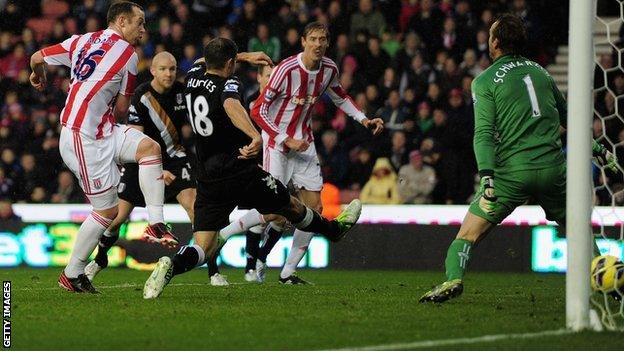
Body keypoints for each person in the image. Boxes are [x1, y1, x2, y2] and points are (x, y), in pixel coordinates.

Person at [419, 14, 619, 303]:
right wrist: (598, 150)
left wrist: (487, 175)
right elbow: (570, 120)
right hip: (552, 170)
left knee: (467, 235)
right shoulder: (541, 72)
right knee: (578, 229)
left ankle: (453, 278)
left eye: (490, 35)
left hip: (512, 173)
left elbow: (484, 134)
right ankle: (605, 280)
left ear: (496, 42)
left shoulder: (485, 81)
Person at [142, 38, 362, 299]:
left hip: (208, 176)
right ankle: (333, 231)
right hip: (240, 170)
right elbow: (231, 105)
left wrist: (243, 56)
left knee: (204, 247)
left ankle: (169, 268)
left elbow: (204, 60)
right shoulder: (229, 83)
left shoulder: (192, 77)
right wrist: (253, 135)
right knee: (290, 205)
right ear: (229, 63)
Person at [29, 1, 179, 293]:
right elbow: (123, 106)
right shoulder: (128, 54)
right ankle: (72, 274)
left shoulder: (81, 40)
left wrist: (40, 74)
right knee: (107, 211)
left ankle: (156, 224)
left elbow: (36, 57)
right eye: (140, 23)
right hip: (83, 138)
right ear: (122, 22)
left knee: (149, 149)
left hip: (102, 130)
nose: (143, 29)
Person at [251, 21, 384, 284]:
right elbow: (258, 110)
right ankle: (245, 250)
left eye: (323, 39)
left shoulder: (329, 69)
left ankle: (288, 272)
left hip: (305, 144)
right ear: (303, 41)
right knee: (274, 210)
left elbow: (340, 97)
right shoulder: (285, 70)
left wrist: (364, 120)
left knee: (315, 209)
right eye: (313, 39)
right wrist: (284, 139)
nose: (318, 44)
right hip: (278, 145)